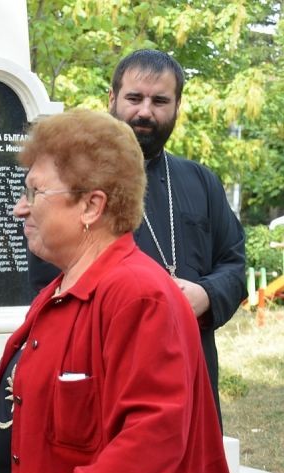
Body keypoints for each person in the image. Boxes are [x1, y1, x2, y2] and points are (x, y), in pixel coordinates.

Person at [0, 109, 244, 473]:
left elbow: (148, 447)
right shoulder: (60, 291)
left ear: (91, 205)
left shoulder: (139, 297)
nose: (19, 209)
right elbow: (28, 411)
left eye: (34, 192)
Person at [28, 50, 246, 420]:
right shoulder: (69, 182)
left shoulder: (201, 181)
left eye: (160, 101)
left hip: (192, 360)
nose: (146, 111)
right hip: (105, 362)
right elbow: (49, 275)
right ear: (112, 99)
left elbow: (234, 264)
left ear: (176, 106)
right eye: (134, 98)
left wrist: (204, 295)